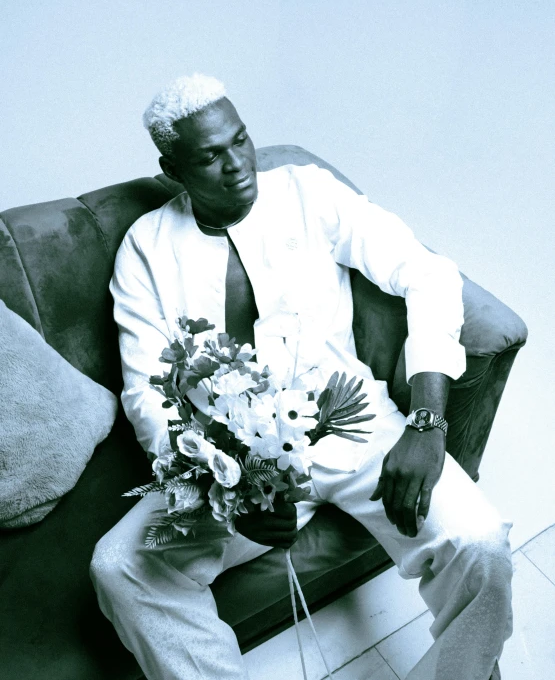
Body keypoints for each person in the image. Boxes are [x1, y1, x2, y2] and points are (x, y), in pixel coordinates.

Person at [90, 73, 512, 680]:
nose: (237, 164)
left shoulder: (308, 193)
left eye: (240, 140)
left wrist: (426, 421)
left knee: (482, 546)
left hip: (349, 425)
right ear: (172, 168)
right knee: (118, 566)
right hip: (230, 465)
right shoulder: (145, 251)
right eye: (209, 156)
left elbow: (428, 274)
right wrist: (229, 495)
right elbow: (146, 396)